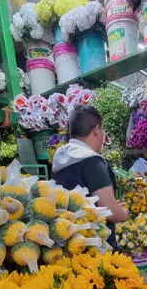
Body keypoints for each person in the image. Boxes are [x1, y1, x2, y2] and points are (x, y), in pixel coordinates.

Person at [52, 105, 128, 248]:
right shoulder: (92, 162)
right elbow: (111, 212)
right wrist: (124, 213)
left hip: (68, 241)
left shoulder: (62, 159)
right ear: (96, 130)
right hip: (95, 244)